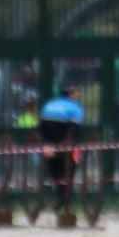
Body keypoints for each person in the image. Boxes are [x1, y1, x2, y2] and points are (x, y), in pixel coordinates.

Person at [38, 87, 85, 220]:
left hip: (49, 138)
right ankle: (63, 197)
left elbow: (41, 127)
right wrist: (70, 143)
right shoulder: (75, 107)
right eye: (76, 93)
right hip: (64, 136)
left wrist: (45, 144)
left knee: (55, 170)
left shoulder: (49, 104)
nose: (77, 95)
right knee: (69, 169)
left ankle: (59, 196)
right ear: (71, 94)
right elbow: (75, 129)